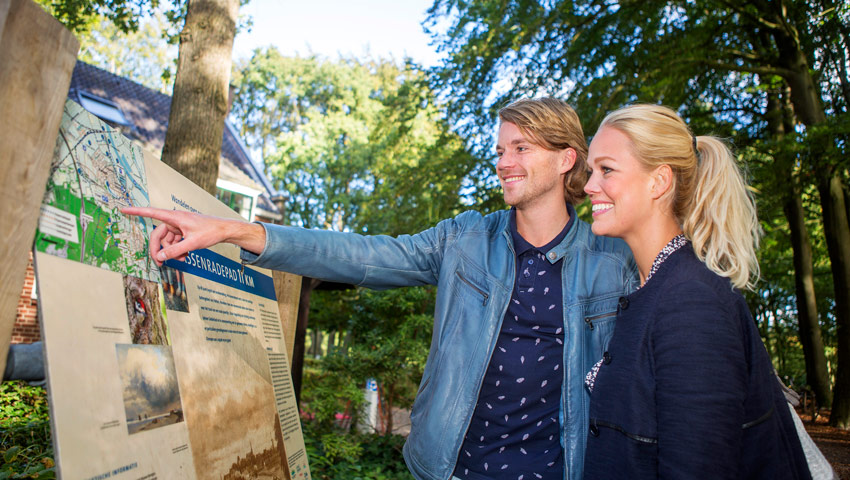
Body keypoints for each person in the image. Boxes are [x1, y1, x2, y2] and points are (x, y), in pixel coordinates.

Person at [124, 97, 638, 480]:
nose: (503, 161)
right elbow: (361, 255)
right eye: (500, 149)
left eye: (521, 148)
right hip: (449, 469)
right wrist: (235, 230)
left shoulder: (613, 262)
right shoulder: (463, 241)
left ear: (567, 159)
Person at [581, 104, 811, 479]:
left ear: (659, 181)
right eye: (592, 171)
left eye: (606, 169)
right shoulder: (652, 289)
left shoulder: (691, 302)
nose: (589, 186)